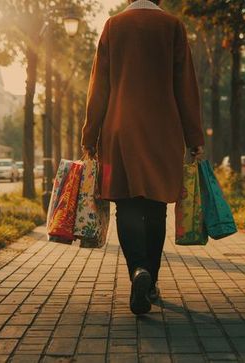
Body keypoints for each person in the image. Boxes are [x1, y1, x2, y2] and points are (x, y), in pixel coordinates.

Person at [81, 0, 204, 315]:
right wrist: (194, 138)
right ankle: (150, 281)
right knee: (156, 207)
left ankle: (138, 270)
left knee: (127, 203)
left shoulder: (113, 25)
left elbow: (100, 86)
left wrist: (90, 134)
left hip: (120, 129)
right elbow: (185, 87)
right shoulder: (173, 26)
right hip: (164, 131)